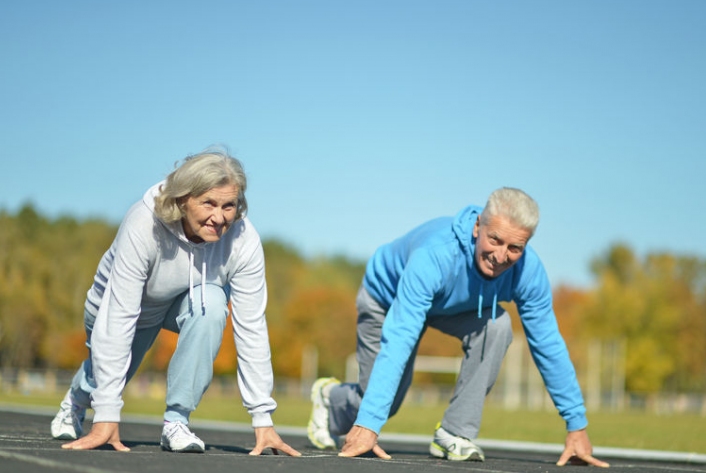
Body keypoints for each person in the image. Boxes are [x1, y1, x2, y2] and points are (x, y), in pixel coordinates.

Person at [307, 187, 609, 467]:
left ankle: (454, 434)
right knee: (385, 400)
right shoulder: (436, 255)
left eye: (515, 247)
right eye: (495, 240)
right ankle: (330, 396)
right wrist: (370, 423)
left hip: (449, 306)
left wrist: (576, 424)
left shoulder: (528, 273)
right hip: (386, 298)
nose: (501, 257)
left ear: (526, 244)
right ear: (478, 227)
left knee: (498, 324)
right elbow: (399, 338)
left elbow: (547, 344)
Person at [51, 149, 300, 457]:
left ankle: (176, 423)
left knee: (212, 303)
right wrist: (106, 416)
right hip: (119, 307)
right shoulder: (143, 224)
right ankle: (77, 399)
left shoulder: (243, 240)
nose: (219, 217)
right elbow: (118, 318)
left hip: (180, 303)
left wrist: (263, 419)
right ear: (184, 200)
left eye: (228, 206)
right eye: (209, 203)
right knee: (107, 373)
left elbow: (251, 328)